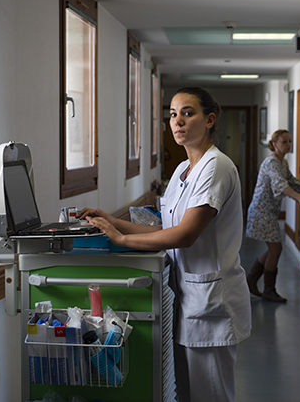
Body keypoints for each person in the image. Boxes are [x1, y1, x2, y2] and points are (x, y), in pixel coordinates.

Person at [79, 86, 251, 402]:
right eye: (173, 114)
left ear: (210, 119)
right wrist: (113, 220)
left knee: (210, 395)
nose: (178, 122)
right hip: (189, 299)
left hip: (211, 304)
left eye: (188, 113)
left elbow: (185, 235)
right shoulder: (183, 170)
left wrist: (120, 239)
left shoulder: (216, 166)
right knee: (187, 393)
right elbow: (163, 228)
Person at [245, 129, 300, 303]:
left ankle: (251, 281)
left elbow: (292, 181)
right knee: (276, 248)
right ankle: (268, 290)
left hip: (268, 212)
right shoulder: (271, 162)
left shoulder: (283, 163)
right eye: (284, 142)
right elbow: (280, 184)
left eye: (290, 141)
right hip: (262, 212)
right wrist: (299, 198)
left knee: (273, 248)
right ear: (275, 144)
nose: (288, 145)